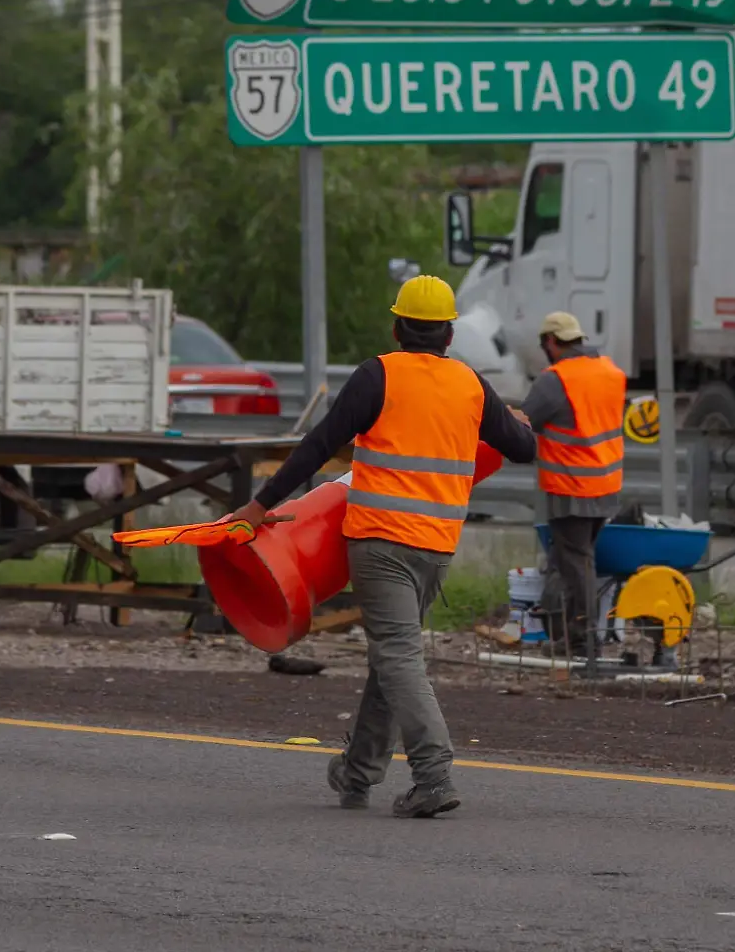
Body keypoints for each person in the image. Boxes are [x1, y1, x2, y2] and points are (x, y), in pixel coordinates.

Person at [227, 275, 536, 817]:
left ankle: (434, 774)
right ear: (448, 334)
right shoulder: (471, 385)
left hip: (380, 544)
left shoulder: (378, 376)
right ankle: (357, 772)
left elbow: (318, 446)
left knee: (396, 656)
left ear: (397, 328)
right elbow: (523, 448)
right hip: (436, 549)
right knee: (392, 657)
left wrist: (259, 506)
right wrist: (515, 421)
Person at [519, 311, 627, 662]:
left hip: (571, 488)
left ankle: (584, 641)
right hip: (605, 485)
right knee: (570, 561)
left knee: (576, 564)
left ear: (551, 342)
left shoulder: (555, 381)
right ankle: (566, 633)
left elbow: (523, 422)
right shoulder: (610, 372)